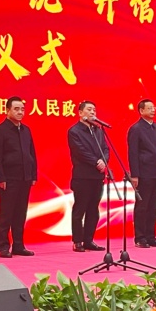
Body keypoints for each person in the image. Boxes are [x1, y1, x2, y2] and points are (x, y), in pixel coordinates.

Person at [0, 97, 37, 258]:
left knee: (20, 213)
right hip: (8, 179)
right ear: (7, 110)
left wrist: (33, 174)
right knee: (6, 213)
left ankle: (18, 245)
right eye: (16, 109)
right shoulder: (0, 130)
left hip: (25, 177)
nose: (20, 112)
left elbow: (32, 154)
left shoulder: (26, 130)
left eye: (22, 109)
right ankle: (3, 246)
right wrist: (0, 178)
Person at [68, 101, 108, 252]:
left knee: (93, 209)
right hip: (82, 176)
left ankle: (89, 240)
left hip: (97, 176)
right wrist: (96, 162)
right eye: (89, 109)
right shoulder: (74, 131)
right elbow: (80, 151)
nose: (92, 112)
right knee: (80, 209)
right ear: (80, 113)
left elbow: (105, 149)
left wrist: (104, 161)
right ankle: (78, 241)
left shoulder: (98, 130)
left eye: (94, 110)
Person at [127, 99, 156, 248]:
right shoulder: (136, 129)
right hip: (143, 173)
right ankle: (140, 237)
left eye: (154, 107)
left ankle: (151, 236)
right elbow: (133, 153)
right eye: (149, 108)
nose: (153, 110)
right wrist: (134, 175)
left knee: (153, 206)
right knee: (142, 206)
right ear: (141, 111)